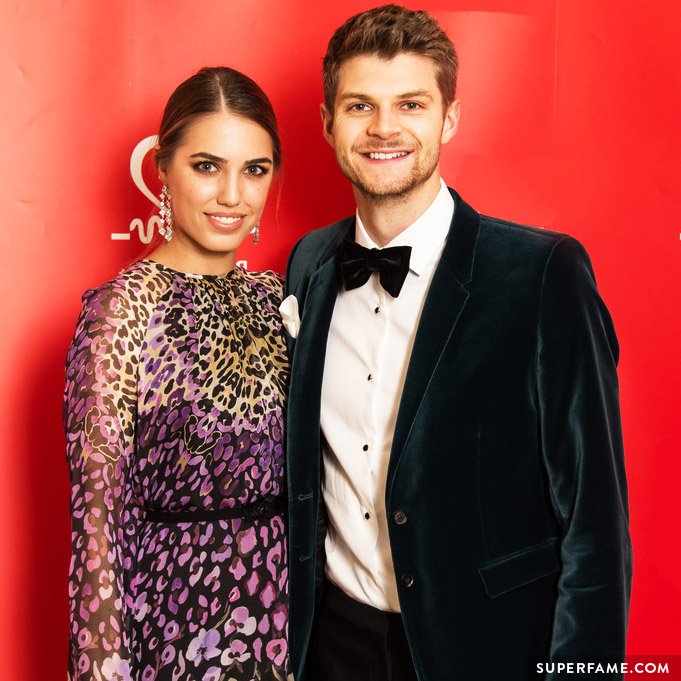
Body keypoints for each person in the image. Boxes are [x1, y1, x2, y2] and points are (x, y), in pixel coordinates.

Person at [283, 5, 632, 681]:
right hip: (332, 645)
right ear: (328, 125)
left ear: (447, 118)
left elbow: (594, 521)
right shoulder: (310, 264)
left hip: (486, 649)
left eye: (410, 103)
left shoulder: (539, 273)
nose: (384, 128)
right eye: (360, 106)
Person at [64, 67, 292, 681]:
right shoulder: (123, 309)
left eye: (254, 169)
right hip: (179, 627)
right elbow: (98, 524)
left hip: (297, 625)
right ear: (163, 169)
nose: (232, 196)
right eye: (206, 166)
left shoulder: (281, 297)